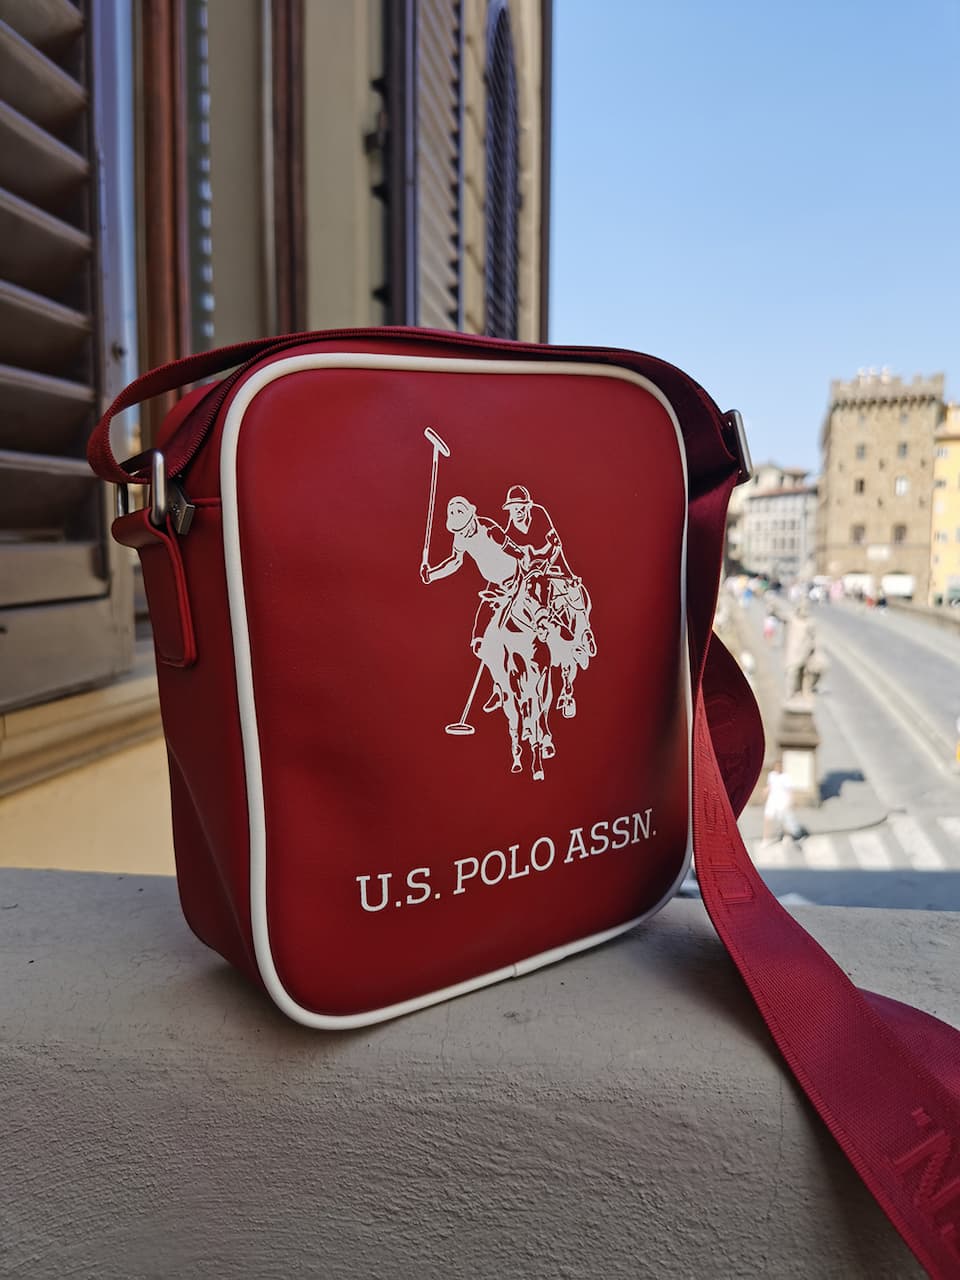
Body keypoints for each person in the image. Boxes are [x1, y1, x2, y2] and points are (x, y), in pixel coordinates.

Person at [762, 759, 796, 844]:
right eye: (776, 767)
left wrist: (790, 801)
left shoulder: (786, 777)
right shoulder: (771, 775)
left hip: (782, 800)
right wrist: (765, 792)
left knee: (783, 819)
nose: (778, 768)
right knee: (767, 818)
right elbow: (769, 786)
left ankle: (786, 836)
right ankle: (766, 838)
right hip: (772, 800)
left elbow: (790, 790)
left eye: (779, 767)